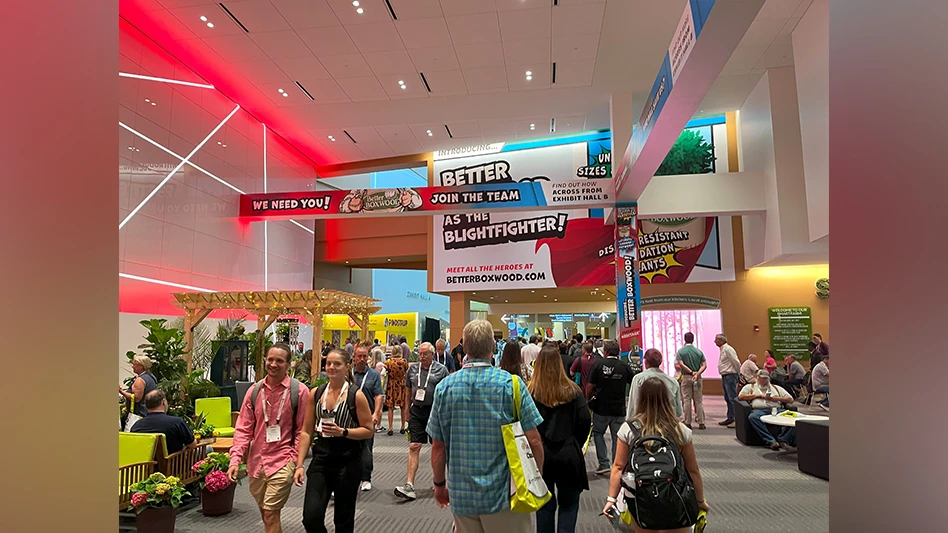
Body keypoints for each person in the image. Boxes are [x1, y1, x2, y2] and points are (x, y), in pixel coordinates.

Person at [427, 320, 545, 533]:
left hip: (462, 496)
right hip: (507, 496)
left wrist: (439, 484)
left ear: (464, 348)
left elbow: (438, 446)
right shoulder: (512, 385)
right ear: (493, 347)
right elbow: (534, 440)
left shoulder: (444, 388)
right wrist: (534, 479)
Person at [602, 378, 709, 532]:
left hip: (641, 497)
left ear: (641, 398)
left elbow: (619, 467)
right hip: (675, 497)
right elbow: (693, 470)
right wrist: (700, 501)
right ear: (667, 398)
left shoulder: (629, 429)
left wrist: (611, 499)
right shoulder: (679, 430)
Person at [228, 343, 309, 533]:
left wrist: (296, 461)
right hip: (257, 462)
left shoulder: (299, 392)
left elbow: (303, 430)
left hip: (283, 460)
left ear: (289, 364)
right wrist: (235, 460)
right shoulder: (255, 391)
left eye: (279, 361)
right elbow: (243, 428)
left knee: (271, 513)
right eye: (270, 359)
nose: (273, 364)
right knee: (266, 515)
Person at [294, 349, 374, 533]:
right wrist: (299, 464)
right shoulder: (316, 393)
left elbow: (368, 430)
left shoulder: (356, 395)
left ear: (347, 367)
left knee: (343, 520)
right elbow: (306, 431)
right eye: (328, 363)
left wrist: (343, 432)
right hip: (321, 458)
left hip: (348, 459)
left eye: (336, 364)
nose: (331, 367)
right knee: (311, 518)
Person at [529, 344, 591, 532]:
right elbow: (585, 420)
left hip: (541, 456)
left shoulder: (530, 392)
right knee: (569, 506)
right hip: (569, 454)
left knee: (544, 506)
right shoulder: (573, 391)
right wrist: (574, 443)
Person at [394, 342, 450, 501]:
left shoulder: (441, 370)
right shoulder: (412, 369)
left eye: (425, 353)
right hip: (417, 411)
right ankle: (409, 484)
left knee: (437, 447)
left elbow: (447, 392)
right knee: (414, 445)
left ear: (432, 354)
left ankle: (439, 481)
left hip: (435, 411)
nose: (422, 356)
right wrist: (406, 412)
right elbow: (408, 392)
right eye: (420, 353)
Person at [588, 339, 635, 475]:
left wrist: (589, 398)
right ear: (618, 352)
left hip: (601, 408)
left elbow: (590, 385)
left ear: (605, 351)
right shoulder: (624, 366)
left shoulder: (598, 364)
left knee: (598, 433)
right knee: (617, 437)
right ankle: (617, 463)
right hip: (619, 408)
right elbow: (633, 383)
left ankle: (603, 463)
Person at [351, 342, 383, 491]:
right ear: (354, 357)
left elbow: (378, 396)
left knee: (366, 448)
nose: (362, 359)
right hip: (349, 416)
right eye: (359, 356)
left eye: (365, 356)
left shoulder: (374, 375)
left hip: (367, 417)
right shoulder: (348, 374)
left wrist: (376, 413)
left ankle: (365, 478)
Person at [737, 369, 796, 450]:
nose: (764, 380)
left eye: (766, 378)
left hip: (777, 409)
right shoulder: (750, 387)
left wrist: (776, 398)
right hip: (759, 410)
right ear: (757, 378)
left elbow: (790, 399)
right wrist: (757, 396)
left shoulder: (776, 388)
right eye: (762, 378)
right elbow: (740, 397)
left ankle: (783, 440)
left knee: (793, 417)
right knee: (753, 417)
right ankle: (770, 440)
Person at [130, 389, 198, 453]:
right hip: (175, 464)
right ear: (163, 402)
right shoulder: (177, 422)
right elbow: (192, 445)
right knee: (207, 449)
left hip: (147, 465)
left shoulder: (136, 426)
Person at [629, 348, 683, 421]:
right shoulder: (673, 382)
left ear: (646, 362)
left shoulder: (638, 379)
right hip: (667, 423)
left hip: (644, 422)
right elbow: (678, 411)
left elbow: (633, 404)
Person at [674, 332, 707, 430]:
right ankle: (701, 422)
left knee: (686, 399)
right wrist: (697, 373)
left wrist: (691, 372)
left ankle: (688, 422)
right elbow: (704, 365)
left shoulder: (681, 351)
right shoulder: (698, 352)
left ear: (685, 339)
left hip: (686, 377)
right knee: (699, 400)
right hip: (698, 377)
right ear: (693, 339)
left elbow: (681, 364)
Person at [715, 334, 741, 428]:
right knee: (727, 398)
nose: (715, 341)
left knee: (732, 398)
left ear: (722, 340)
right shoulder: (723, 349)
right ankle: (730, 417)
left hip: (730, 375)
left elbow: (736, 362)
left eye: (716, 339)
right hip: (725, 376)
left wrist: (739, 373)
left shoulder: (728, 349)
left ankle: (736, 419)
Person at [383, 344, 410, 436]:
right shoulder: (404, 362)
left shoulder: (389, 362)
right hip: (402, 385)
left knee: (390, 407)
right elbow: (408, 372)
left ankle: (390, 428)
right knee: (403, 406)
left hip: (391, 385)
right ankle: (402, 427)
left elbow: (383, 372)